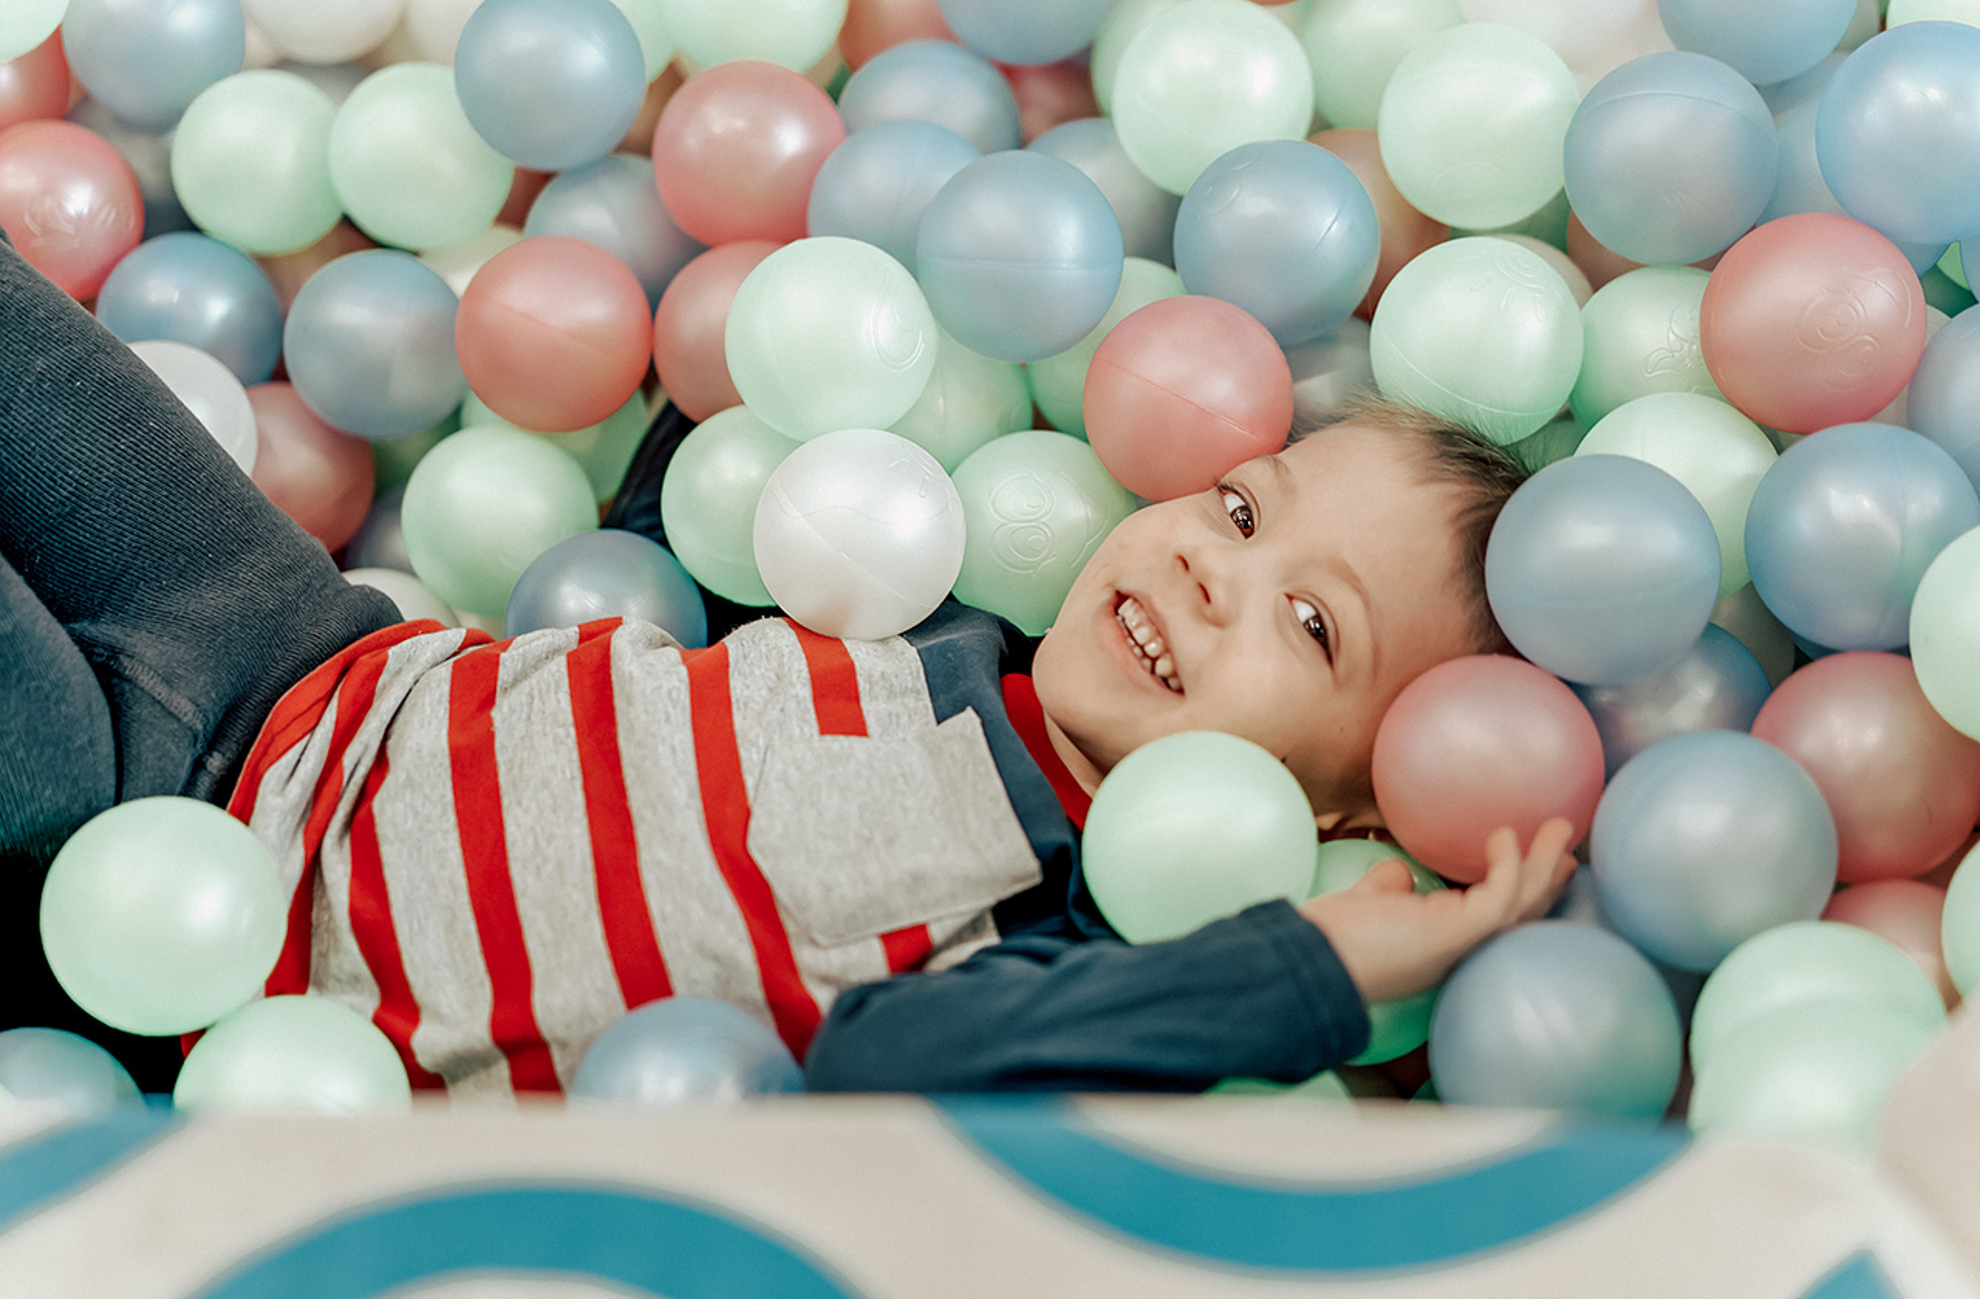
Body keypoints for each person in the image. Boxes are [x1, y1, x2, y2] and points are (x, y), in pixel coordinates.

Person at [0, 232, 1576, 1098]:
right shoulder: (931, 596)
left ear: (1356, 807)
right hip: (299, 651)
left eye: (1314, 628)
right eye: (1243, 507)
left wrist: (1304, 968)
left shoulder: (1047, 926)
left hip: (165, 903)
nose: (1213, 570)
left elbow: (915, 1062)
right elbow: (683, 556)